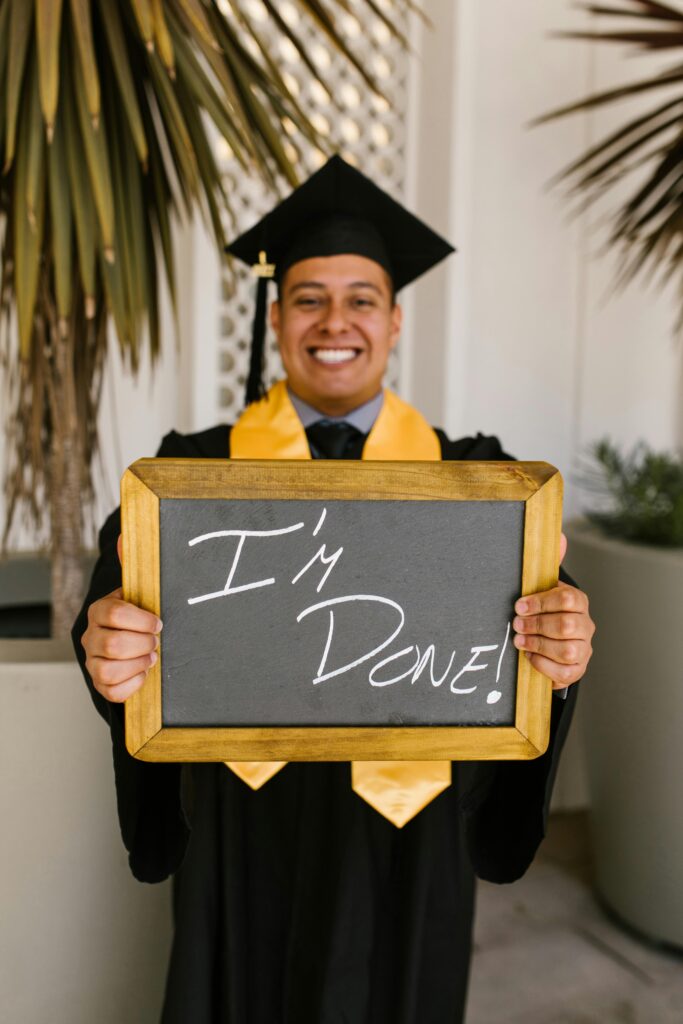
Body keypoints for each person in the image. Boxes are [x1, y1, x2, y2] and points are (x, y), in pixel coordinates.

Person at [73, 156, 595, 1024]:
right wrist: (111, 652)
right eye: (309, 297)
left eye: (361, 298)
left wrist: (562, 646)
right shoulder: (189, 474)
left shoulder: (479, 480)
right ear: (276, 321)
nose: (334, 321)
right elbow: (123, 622)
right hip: (244, 826)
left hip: (408, 827)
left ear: (393, 322)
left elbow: (538, 630)